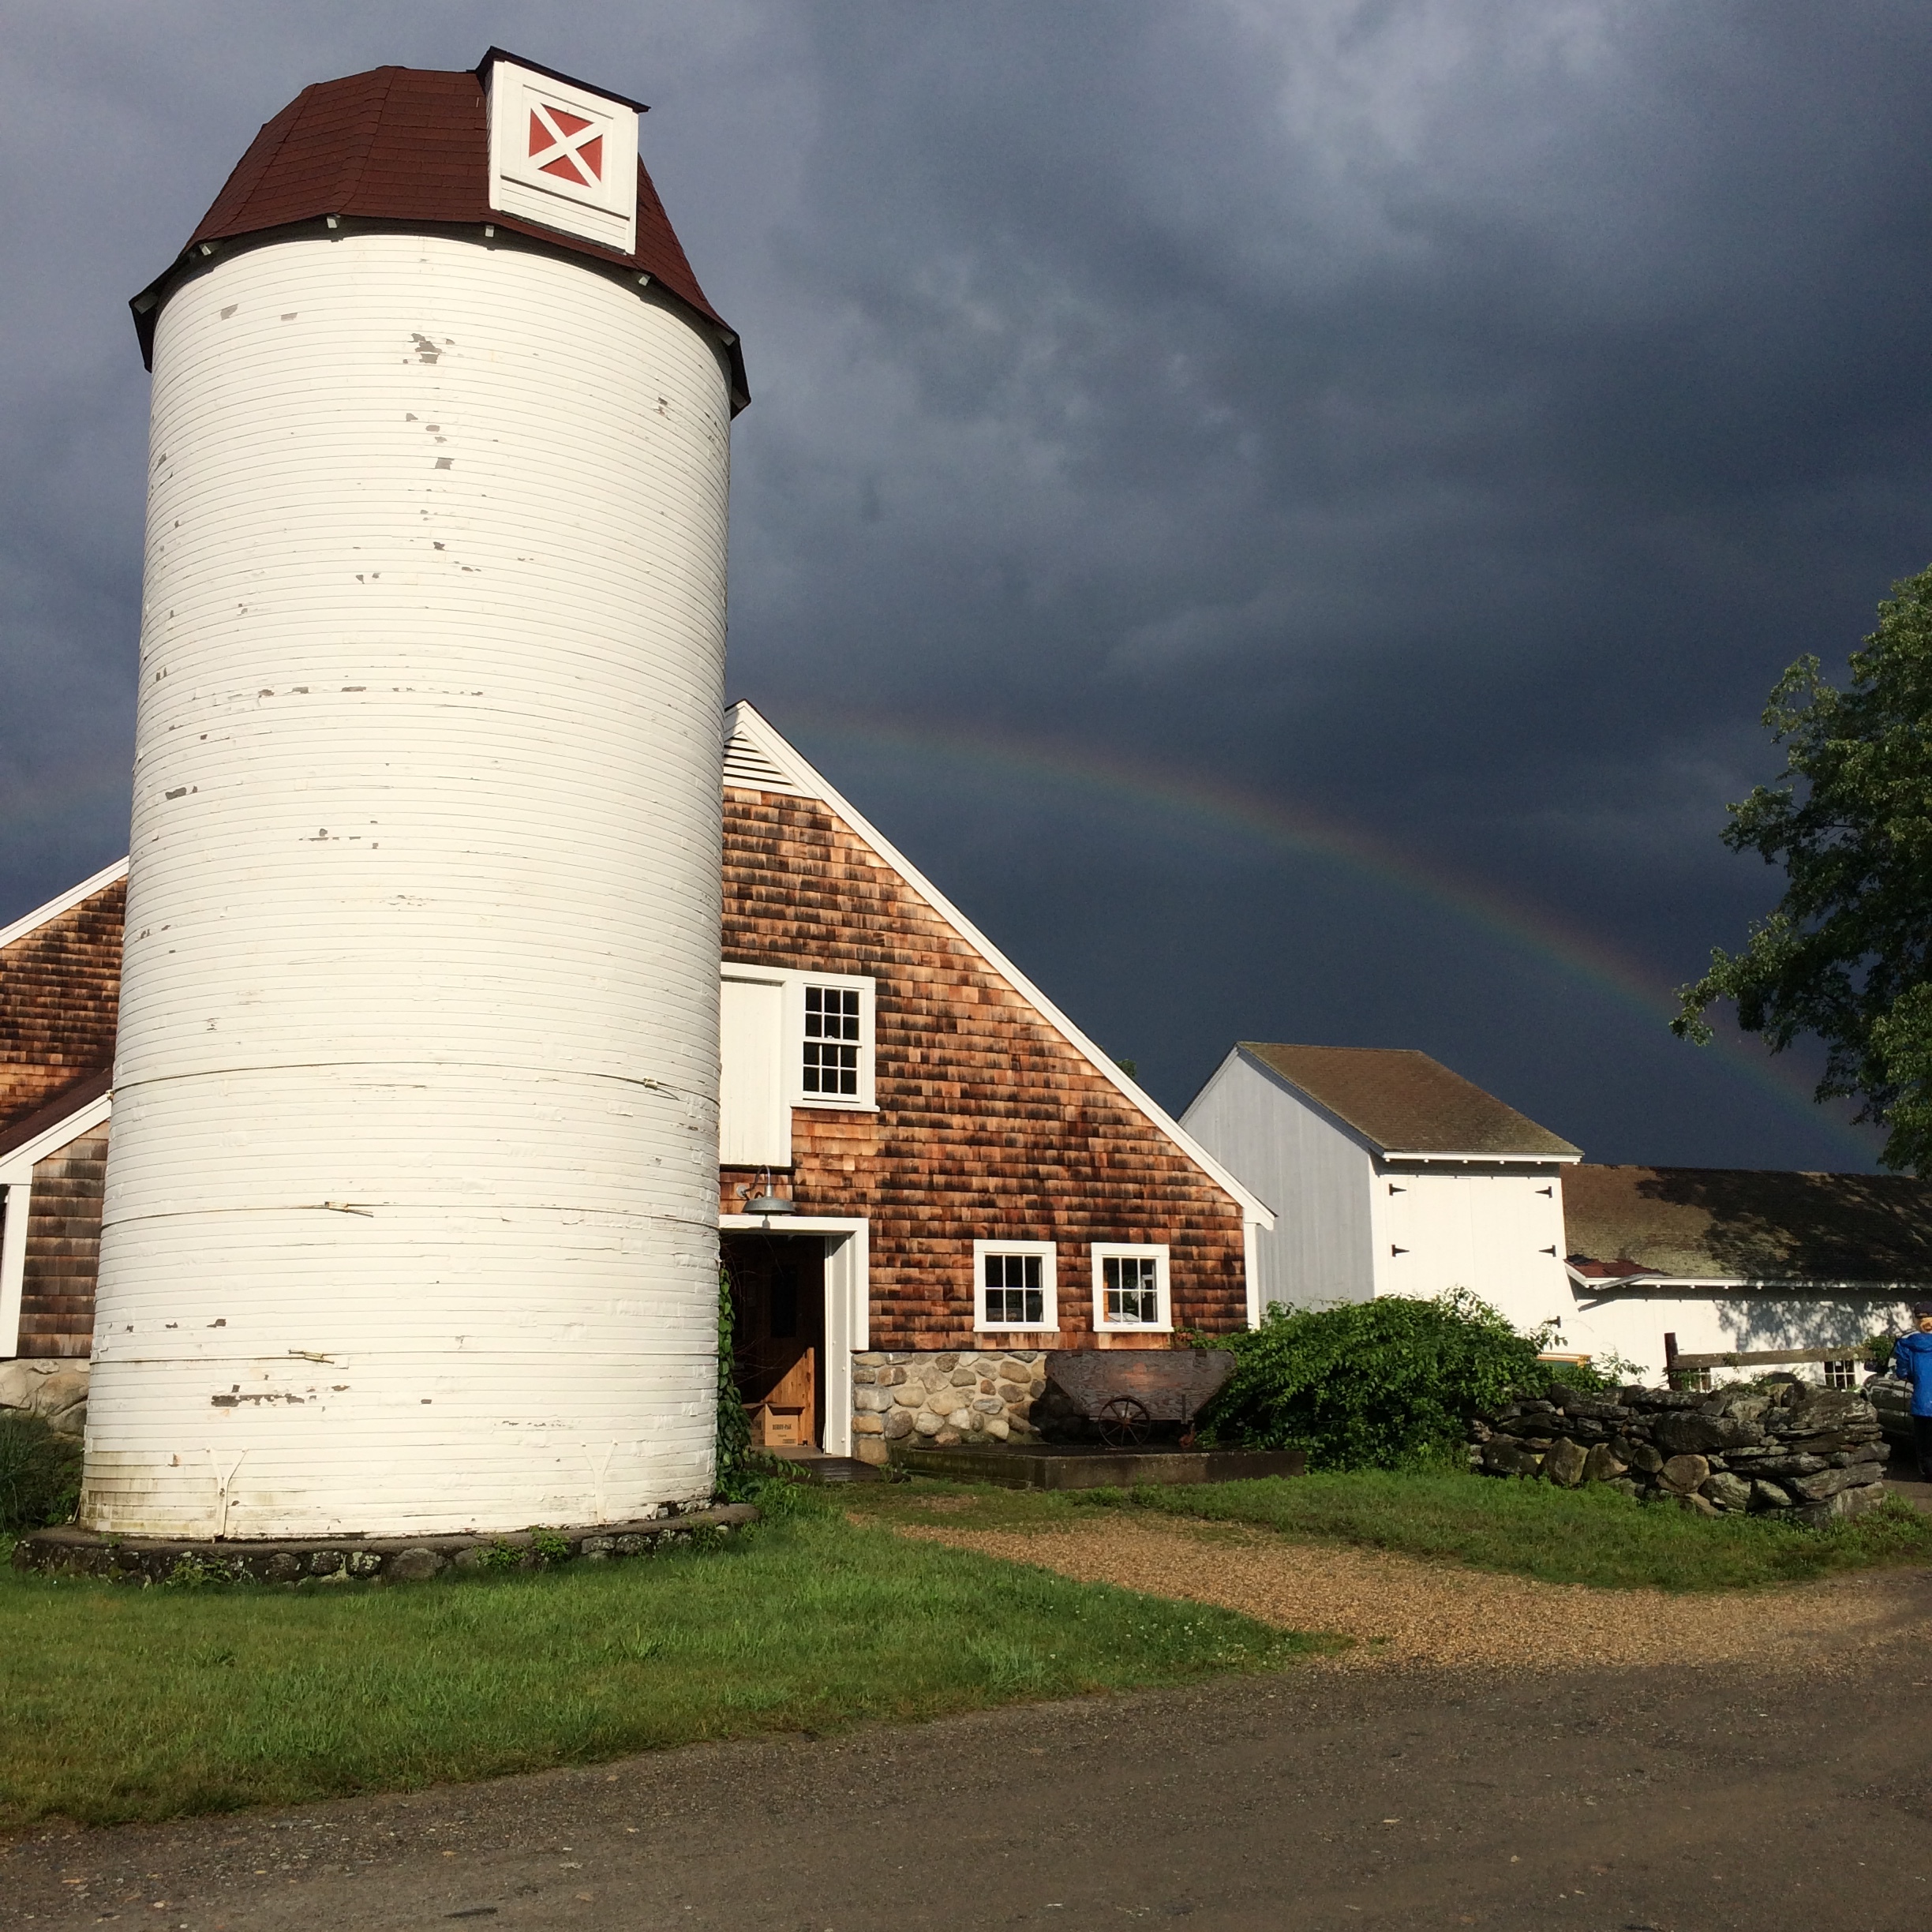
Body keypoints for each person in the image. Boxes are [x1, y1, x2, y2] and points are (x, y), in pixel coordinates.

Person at [1893, 1301, 1932, 1479]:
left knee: (1925, 1446)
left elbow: (1901, 1372)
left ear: (1917, 1320)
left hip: (1923, 1404)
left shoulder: (1907, 1345)